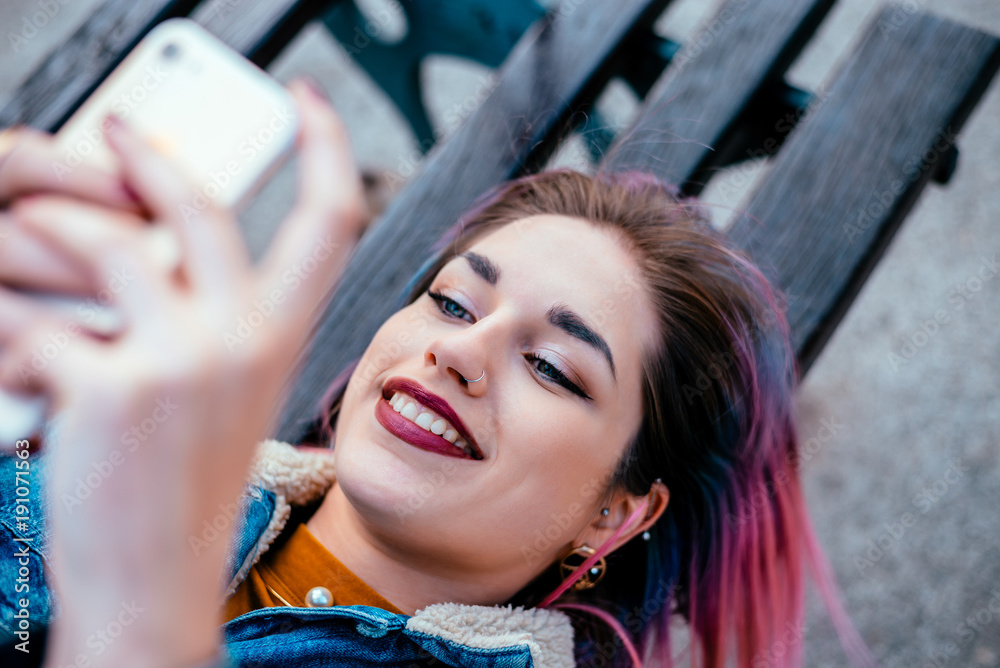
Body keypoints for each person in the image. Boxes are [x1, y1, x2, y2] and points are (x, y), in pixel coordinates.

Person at [0, 78, 874, 668]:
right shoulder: (106, 447)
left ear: (615, 515)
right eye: (453, 303)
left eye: (550, 366)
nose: (458, 351)